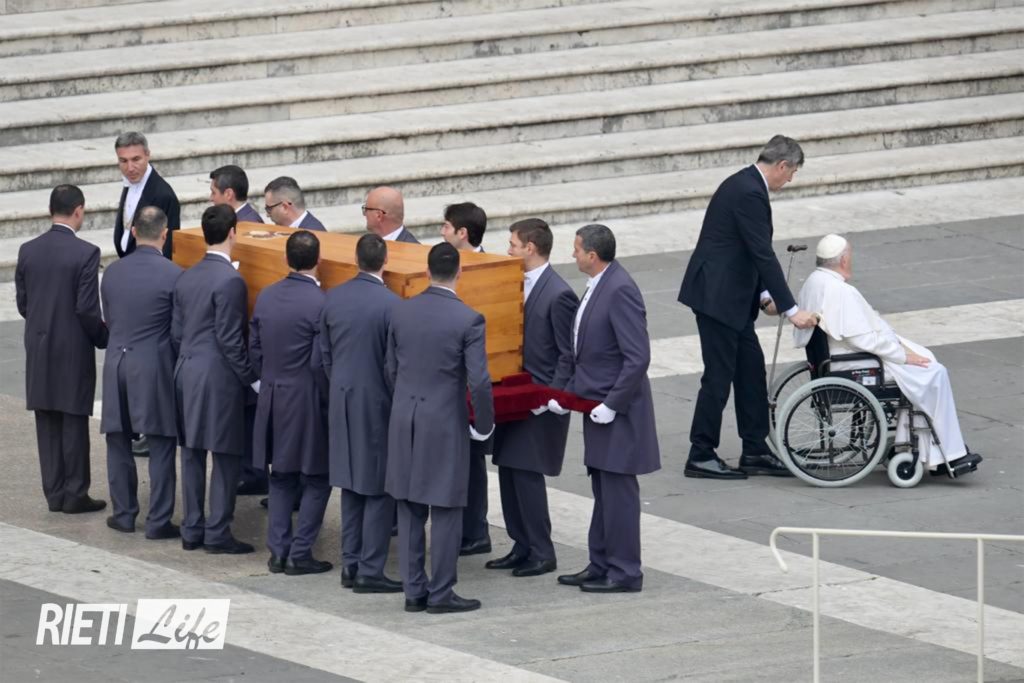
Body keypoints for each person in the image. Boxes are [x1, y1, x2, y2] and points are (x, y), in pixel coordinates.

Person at [678, 135, 818, 480]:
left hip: (731, 297)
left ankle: (754, 449)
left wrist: (762, 296)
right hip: (717, 299)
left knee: (751, 371)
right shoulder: (749, 192)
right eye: (793, 172)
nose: (791, 179)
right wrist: (790, 309)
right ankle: (700, 453)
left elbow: (741, 251)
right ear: (782, 165)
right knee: (718, 377)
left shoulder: (746, 185)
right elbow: (761, 253)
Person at [795, 234, 982, 475]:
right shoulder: (840, 290)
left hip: (837, 357)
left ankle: (925, 448)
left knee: (925, 361)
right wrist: (903, 356)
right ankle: (948, 455)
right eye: (850, 257)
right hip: (855, 361)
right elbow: (862, 338)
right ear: (843, 260)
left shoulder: (814, 281)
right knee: (933, 372)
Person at [550, 224, 660, 593]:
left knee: (619, 495)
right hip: (597, 405)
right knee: (603, 491)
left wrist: (613, 404)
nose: (573, 255)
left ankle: (625, 571)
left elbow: (637, 357)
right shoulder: (602, 284)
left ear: (592, 255)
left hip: (619, 413)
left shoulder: (620, 289)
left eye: (577, 249)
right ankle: (600, 562)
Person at [385, 243, 494, 614]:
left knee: (410, 506)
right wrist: (483, 424)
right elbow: (479, 382)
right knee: (447, 509)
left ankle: (414, 590)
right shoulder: (468, 319)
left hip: (405, 418)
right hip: (444, 422)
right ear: (459, 272)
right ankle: (442, 591)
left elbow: (390, 368)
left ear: (427, 271)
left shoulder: (401, 311)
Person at [488, 218, 578, 577]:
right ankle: (520, 543)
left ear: (530, 247)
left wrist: (553, 396)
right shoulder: (515, 283)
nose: (508, 249)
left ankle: (542, 550)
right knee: (508, 469)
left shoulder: (559, 294)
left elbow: (566, 353)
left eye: (512, 244)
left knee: (526, 474)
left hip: (540, 401)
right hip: (514, 394)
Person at [16, 184, 109, 514]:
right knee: (73, 418)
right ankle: (75, 493)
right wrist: (102, 337)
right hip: (72, 347)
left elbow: (23, 303)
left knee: (47, 418)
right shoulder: (85, 253)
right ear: (79, 210)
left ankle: (54, 492)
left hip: (39, 344)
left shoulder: (28, 249)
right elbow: (86, 309)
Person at [172, 204, 259, 554]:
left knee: (191, 452)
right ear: (233, 232)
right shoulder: (231, 281)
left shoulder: (187, 275)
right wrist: (252, 379)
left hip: (185, 370)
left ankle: (193, 528)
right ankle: (218, 531)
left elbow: (176, 333)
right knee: (225, 455)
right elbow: (230, 340)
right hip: (217, 377)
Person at [321, 234, 403, 593]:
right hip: (378, 403)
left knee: (351, 484)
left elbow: (324, 355)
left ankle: (350, 563)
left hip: (341, 398)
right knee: (379, 488)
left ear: (356, 260)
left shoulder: (333, 297)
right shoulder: (392, 304)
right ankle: (370, 568)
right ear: (384, 260)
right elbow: (393, 365)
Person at [250, 231, 333, 575]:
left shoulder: (266, 297)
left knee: (280, 476)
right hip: (307, 400)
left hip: (271, 395)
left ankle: (278, 552)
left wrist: (265, 381)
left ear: (286, 259)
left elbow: (254, 348)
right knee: (317, 477)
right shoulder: (321, 303)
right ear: (318, 262)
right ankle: (300, 553)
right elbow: (320, 362)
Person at [99, 206, 182, 538]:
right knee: (161, 442)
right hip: (152, 365)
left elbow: (111, 317)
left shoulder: (114, 272)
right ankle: (158, 521)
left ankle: (124, 514)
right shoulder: (174, 274)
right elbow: (177, 331)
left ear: (133, 232)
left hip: (116, 363)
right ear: (165, 234)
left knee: (118, 441)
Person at [439, 201, 491, 556]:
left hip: (474, 379)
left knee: (472, 463)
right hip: (448, 378)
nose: (441, 232)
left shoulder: (490, 271)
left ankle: (475, 530)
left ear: (462, 233)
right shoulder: (446, 263)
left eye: (446, 226)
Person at [113, 132, 181, 259]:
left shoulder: (164, 195)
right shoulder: (130, 181)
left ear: (148, 155)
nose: (130, 168)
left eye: (136, 159)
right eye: (123, 161)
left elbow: (167, 248)